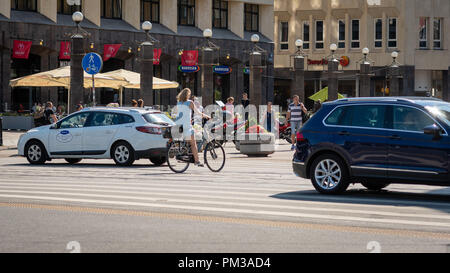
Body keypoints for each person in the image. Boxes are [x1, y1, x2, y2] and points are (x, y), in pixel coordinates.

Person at [174, 88, 210, 167]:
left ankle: (186, 153)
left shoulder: (179, 103)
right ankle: (197, 161)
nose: (190, 96)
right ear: (187, 95)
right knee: (193, 144)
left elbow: (181, 114)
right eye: (189, 94)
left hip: (179, 124)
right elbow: (198, 112)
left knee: (187, 141)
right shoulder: (190, 102)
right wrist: (206, 116)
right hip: (187, 125)